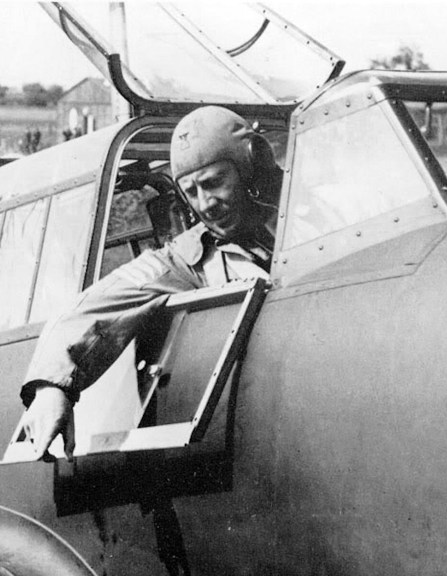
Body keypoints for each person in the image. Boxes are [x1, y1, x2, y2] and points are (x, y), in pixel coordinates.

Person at [19, 106, 282, 460]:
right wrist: (51, 387)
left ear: (251, 166)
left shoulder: (325, 207)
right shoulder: (187, 259)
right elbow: (90, 309)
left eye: (214, 182)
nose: (206, 205)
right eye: (191, 191)